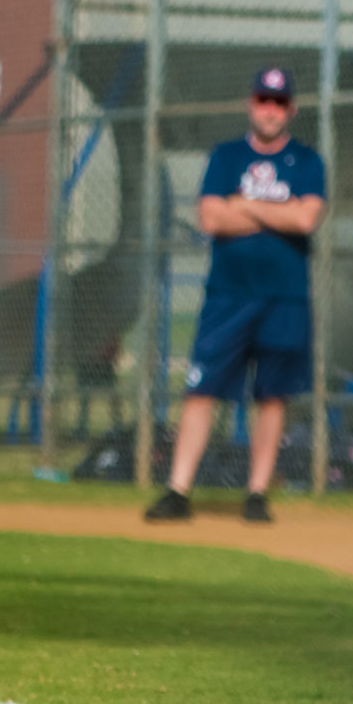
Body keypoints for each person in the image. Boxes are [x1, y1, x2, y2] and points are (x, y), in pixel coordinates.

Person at [145, 66, 326, 525]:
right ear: (251, 104)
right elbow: (211, 219)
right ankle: (178, 490)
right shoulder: (226, 157)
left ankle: (257, 493)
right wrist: (275, 212)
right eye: (264, 100)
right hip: (227, 297)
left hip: (284, 299)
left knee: (272, 396)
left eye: (279, 102)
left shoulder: (307, 162)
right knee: (201, 390)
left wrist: (243, 204)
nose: (270, 109)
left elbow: (306, 220)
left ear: (292, 110)